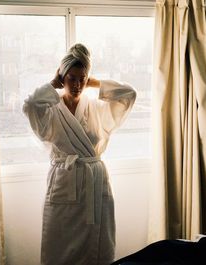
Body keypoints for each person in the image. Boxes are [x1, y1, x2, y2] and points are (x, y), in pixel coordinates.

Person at [23, 43, 137, 265]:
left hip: (95, 182)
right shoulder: (52, 110)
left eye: (81, 79)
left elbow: (128, 94)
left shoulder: (97, 108)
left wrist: (94, 81)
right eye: (71, 78)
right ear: (62, 76)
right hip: (64, 182)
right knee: (60, 244)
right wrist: (53, 84)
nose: (76, 85)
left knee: (97, 244)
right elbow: (31, 105)